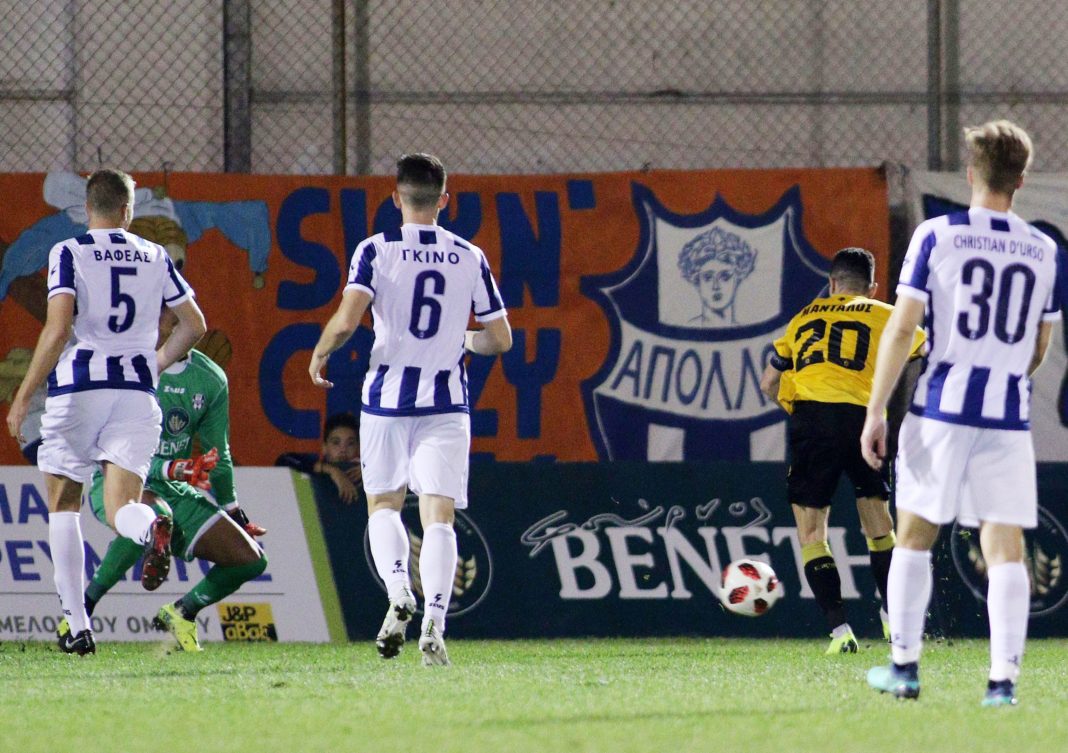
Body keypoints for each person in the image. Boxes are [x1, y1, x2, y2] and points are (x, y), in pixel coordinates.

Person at [861, 120, 1063, 706]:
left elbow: (902, 329)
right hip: (1006, 417)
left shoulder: (937, 234)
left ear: (971, 174)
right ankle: (1002, 684)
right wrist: (1006, 374)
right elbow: (1040, 346)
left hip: (942, 410)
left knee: (914, 537)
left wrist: (876, 410)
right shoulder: (1044, 249)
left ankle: (904, 669)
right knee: (1005, 550)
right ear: (1020, 180)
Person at [309, 153, 512, 666]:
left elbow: (347, 322)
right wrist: (462, 338)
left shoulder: (376, 249)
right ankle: (435, 623)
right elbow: (500, 338)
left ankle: (400, 590)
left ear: (395, 197)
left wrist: (320, 351)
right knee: (439, 516)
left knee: (384, 505)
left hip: (387, 401)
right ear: (445, 200)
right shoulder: (469, 255)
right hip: (446, 403)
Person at [4, 168, 206, 656]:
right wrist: (155, 363)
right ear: (127, 210)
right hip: (135, 395)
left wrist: (23, 396)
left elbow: (57, 330)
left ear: (88, 208)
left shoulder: (69, 252)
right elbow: (194, 325)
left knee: (64, 506)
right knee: (121, 511)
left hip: (80, 389)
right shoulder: (154, 254)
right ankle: (150, 526)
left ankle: (78, 628)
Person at [57, 305, 268, 651]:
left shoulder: (210, 379)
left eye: (183, 319)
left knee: (251, 560)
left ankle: (182, 613)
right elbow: (111, 447)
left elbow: (219, 453)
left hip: (172, 488)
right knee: (152, 518)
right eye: (165, 317)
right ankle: (80, 610)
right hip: (115, 478)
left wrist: (233, 509)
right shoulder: (126, 368)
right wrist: (170, 469)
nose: (174, 326)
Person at [761, 248, 925, 654]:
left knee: (811, 531)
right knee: (879, 524)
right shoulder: (885, 313)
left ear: (832, 283)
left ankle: (840, 633)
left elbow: (768, 382)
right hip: (862, 418)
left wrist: (798, 409)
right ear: (872, 287)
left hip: (812, 421)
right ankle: (892, 616)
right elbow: (923, 351)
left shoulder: (802, 318)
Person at [275, 411, 363, 503]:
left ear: (358, 448)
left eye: (350, 443)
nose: (343, 450)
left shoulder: (367, 472)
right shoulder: (314, 468)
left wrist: (371, 471)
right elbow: (283, 460)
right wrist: (332, 471)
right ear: (324, 447)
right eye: (336, 443)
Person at [678, 227, 757, 327]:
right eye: (708, 278)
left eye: (725, 277)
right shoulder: (685, 326)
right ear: (697, 282)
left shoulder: (747, 330)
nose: (716, 286)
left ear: (737, 279)